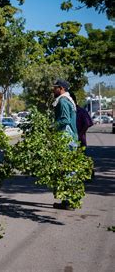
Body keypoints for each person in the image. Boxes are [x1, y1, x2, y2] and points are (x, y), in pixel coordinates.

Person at [52, 79, 78, 210]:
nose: (53, 89)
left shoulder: (62, 101)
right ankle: (70, 199)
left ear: (61, 88)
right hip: (72, 137)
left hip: (65, 137)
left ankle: (68, 202)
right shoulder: (69, 101)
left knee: (66, 170)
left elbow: (65, 120)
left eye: (55, 87)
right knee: (70, 169)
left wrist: (51, 127)